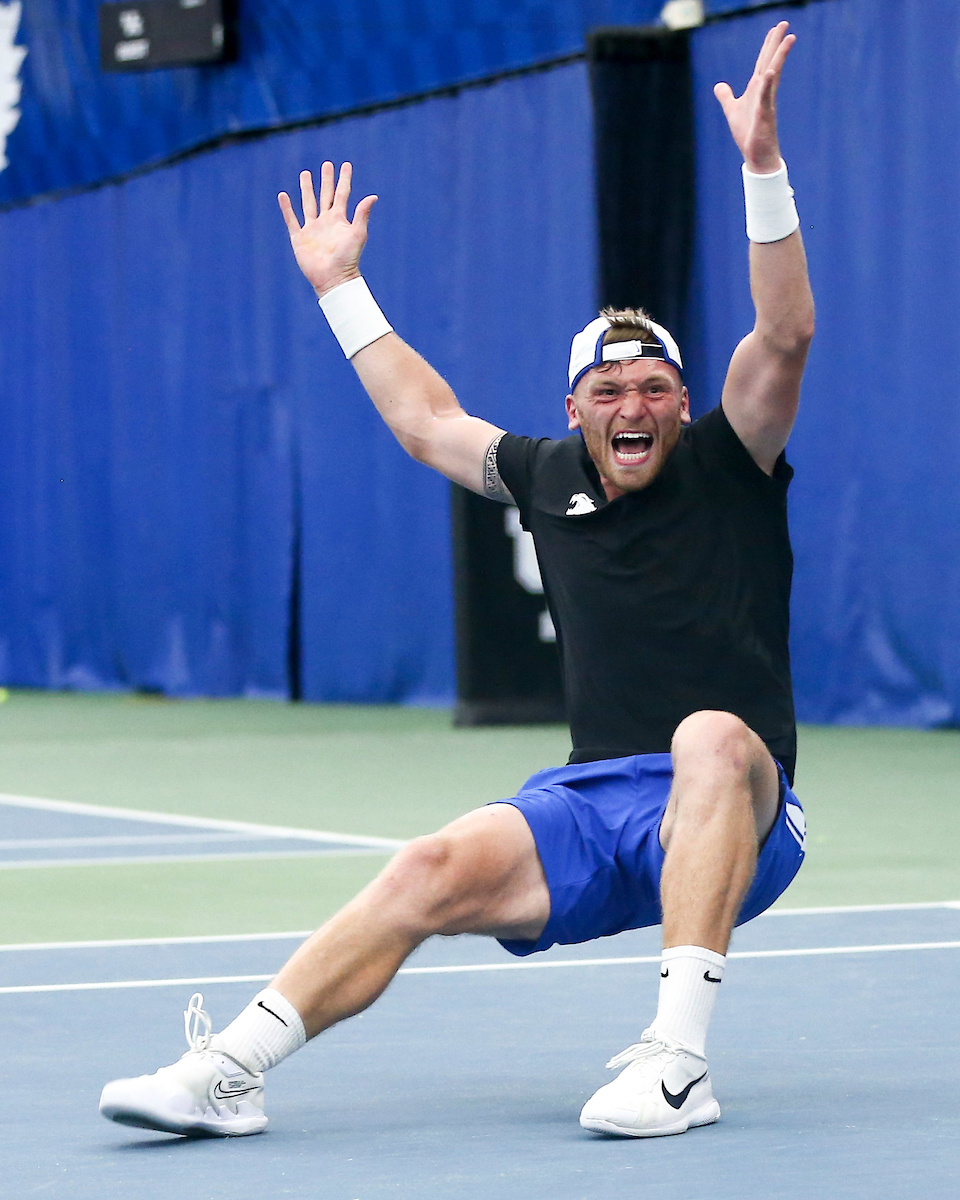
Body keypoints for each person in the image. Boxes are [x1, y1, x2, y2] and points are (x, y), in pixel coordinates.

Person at [100, 21, 814, 1141]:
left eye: (656, 386)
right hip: (595, 804)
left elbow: (784, 332)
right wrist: (341, 287)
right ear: (575, 407)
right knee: (429, 865)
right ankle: (230, 1069)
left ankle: (677, 1062)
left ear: (684, 401)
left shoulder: (733, 461)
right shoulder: (544, 475)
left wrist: (761, 166)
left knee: (712, 737)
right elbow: (426, 419)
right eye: (609, 388)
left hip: (740, 805)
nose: (635, 405)